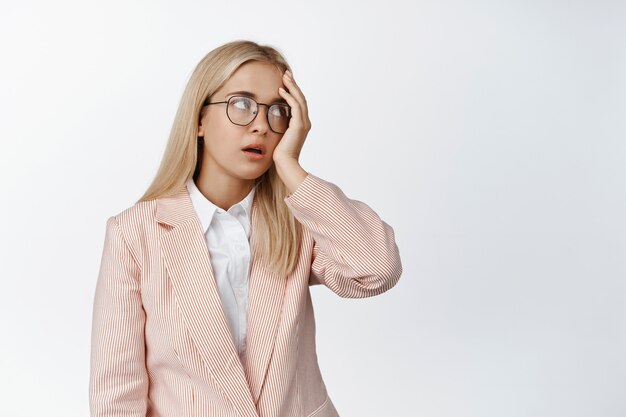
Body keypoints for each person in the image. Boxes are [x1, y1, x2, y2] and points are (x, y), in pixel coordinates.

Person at [89, 40, 403, 417]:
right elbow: (116, 391)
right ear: (200, 119)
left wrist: (292, 170)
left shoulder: (299, 221)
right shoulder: (135, 233)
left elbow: (376, 269)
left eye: (278, 111)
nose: (260, 124)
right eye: (242, 104)